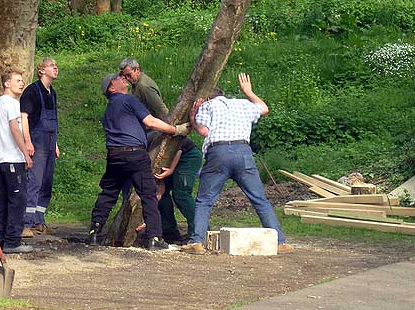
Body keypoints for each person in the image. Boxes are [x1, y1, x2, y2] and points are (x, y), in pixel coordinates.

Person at [182, 73, 293, 255]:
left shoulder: (207, 105)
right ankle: (280, 241)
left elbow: (203, 131)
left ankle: (197, 242)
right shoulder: (242, 103)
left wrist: (193, 117)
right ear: (223, 94)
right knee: (259, 199)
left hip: (218, 153)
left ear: (208, 96)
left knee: (204, 200)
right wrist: (249, 92)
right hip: (243, 153)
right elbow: (264, 109)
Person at [89, 73, 189, 250]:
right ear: (112, 88)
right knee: (148, 195)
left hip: (114, 155)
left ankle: (94, 232)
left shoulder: (110, 109)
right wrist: (175, 130)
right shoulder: (128, 100)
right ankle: (155, 238)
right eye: (117, 79)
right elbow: (150, 122)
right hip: (134, 154)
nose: (122, 79)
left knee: (109, 193)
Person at [0, 69, 34, 254]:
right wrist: (25, 153)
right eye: (18, 80)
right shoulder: (12, 103)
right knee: (17, 199)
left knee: (2, 200)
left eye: (22, 80)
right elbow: (15, 129)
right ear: (7, 83)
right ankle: (12, 240)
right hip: (11, 159)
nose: (22, 83)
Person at [20, 57, 59, 236]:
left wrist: (56, 144)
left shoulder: (53, 92)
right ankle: (26, 223)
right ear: (42, 70)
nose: (55, 68)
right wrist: (27, 142)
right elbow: (24, 117)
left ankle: (39, 220)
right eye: (52, 66)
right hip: (37, 142)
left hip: (50, 143)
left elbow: (54, 121)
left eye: (56, 66)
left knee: (46, 183)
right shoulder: (32, 91)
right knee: (34, 182)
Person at [154, 136, 202, 244]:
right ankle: (169, 231)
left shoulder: (158, 127)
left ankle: (198, 231)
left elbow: (178, 148)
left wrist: (171, 170)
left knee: (182, 194)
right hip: (168, 160)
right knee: (162, 194)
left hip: (187, 157)